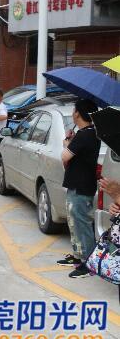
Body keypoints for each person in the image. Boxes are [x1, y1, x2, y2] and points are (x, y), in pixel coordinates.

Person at [57, 98, 101, 279]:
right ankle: (78, 255)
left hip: (81, 186)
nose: (73, 113)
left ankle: (87, 263)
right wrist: (71, 140)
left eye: (74, 110)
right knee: (74, 221)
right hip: (78, 184)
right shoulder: (88, 133)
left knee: (81, 224)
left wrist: (67, 143)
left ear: (78, 113)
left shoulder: (85, 135)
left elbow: (65, 156)